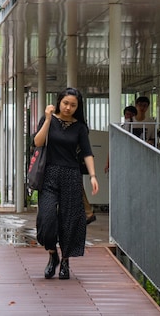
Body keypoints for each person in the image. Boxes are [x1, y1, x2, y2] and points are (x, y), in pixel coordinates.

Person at [34, 88, 98, 281]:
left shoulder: (80, 127)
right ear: (59, 102)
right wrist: (46, 119)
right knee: (47, 218)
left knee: (70, 221)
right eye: (65, 103)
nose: (68, 107)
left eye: (73, 105)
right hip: (49, 174)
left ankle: (66, 261)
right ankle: (53, 255)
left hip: (71, 175)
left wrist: (93, 176)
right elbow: (37, 142)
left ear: (78, 107)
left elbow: (87, 152)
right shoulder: (49, 121)